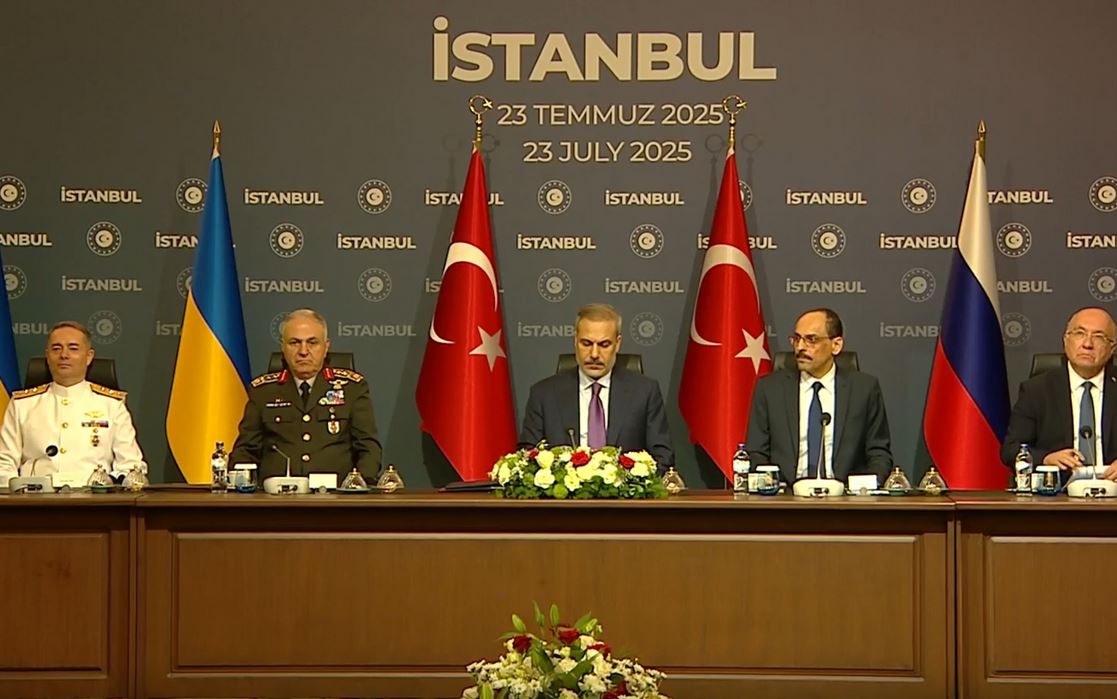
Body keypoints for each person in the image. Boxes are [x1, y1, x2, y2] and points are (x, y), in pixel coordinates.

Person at [230, 309, 381, 481]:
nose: (303, 351)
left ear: (326, 347)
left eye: (312, 342)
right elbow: (246, 451)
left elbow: (368, 448)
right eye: (294, 343)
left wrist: (359, 486)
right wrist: (242, 486)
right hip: (275, 495)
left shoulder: (352, 388)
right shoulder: (263, 391)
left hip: (337, 494)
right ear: (283, 347)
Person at [746, 308, 893, 485]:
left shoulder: (864, 389)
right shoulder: (770, 389)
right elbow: (756, 453)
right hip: (786, 495)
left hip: (846, 496)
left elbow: (878, 453)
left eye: (811, 340)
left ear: (836, 345)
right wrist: (771, 486)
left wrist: (864, 488)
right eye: (797, 339)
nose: (800, 347)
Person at [519, 303, 674, 468]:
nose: (594, 354)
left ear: (617, 344)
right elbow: (528, 457)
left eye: (604, 345)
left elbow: (663, 457)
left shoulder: (645, 392)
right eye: (586, 343)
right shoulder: (544, 394)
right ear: (575, 341)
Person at [0, 321, 146, 488]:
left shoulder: (111, 405)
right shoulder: (22, 405)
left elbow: (130, 465)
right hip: (36, 498)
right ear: (47, 356)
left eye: (73, 348)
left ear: (89, 356)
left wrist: (106, 487)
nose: (64, 355)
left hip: (94, 499)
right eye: (56, 348)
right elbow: (4, 463)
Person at [1001, 307, 1117, 480]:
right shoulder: (1037, 390)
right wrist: (1046, 459)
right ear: (1066, 340)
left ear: (1112, 348)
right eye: (1079, 333)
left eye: (1099, 337)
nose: (1087, 344)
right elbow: (1011, 449)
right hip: (1056, 490)